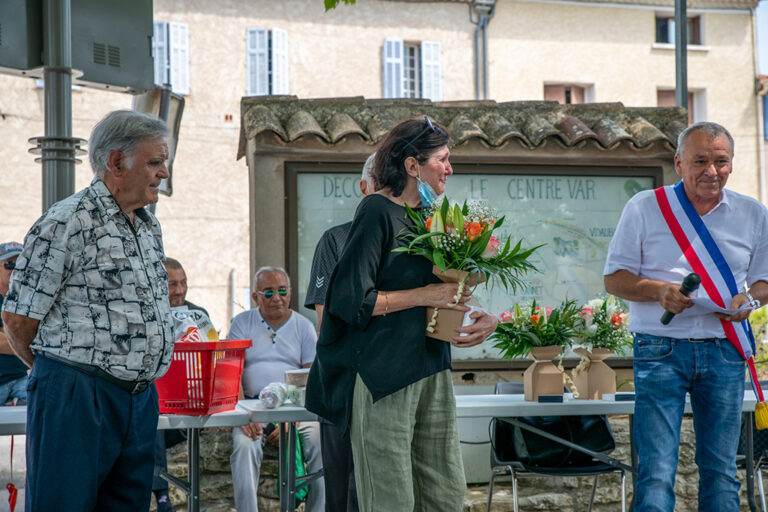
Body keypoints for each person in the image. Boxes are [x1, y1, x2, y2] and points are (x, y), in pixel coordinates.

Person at [305, 116, 499, 511]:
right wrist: (425, 294)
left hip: (430, 367)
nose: (449, 168)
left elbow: (448, 286)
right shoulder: (376, 210)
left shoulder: (431, 218)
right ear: (412, 166)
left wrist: (484, 315)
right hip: (382, 375)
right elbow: (350, 302)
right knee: (391, 498)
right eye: (441, 159)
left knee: (445, 494)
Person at [1, 109, 173, 512]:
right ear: (116, 162)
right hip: (78, 395)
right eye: (154, 162)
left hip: (137, 399)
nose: (163, 173)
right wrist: (59, 374)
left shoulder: (147, 225)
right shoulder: (66, 221)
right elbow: (18, 317)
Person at [604, 121, 768, 511]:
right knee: (657, 470)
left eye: (721, 161)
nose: (711, 171)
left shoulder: (753, 213)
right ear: (679, 163)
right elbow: (614, 279)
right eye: (700, 161)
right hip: (660, 349)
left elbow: (764, 281)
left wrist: (749, 299)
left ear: (731, 164)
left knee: (722, 469)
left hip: (725, 350)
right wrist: (658, 291)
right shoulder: (644, 207)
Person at [304, 153, 374, 512]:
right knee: (344, 493)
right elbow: (326, 323)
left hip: (390, 387)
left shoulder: (418, 240)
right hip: (341, 386)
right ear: (364, 188)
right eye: (382, 184)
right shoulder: (336, 240)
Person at [229, 266, 324, 512]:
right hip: (251, 407)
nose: (277, 297)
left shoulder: (304, 326)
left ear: (290, 293)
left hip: (296, 407)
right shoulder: (241, 323)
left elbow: (311, 378)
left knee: (320, 443)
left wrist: (291, 420)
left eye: (282, 290)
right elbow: (232, 372)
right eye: (268, 292)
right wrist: (242, 415)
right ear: (255, 297)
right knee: (244, 446)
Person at [152, 257, 206, 512]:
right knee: (151, 419)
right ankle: (162, 497)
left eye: (183, 283)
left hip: (192, 402)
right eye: (172, 284)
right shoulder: (149, 315)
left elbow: (212, 359)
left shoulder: (199, 315)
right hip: (160, 403)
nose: (180, 290)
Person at [0, 242, 28, 405]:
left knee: (56, 403)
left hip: (22, 378)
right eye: (10, 264)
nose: (17, 269)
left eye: (22, 264)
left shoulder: (27, 298)